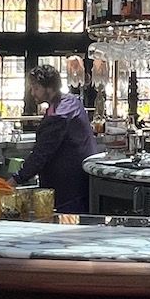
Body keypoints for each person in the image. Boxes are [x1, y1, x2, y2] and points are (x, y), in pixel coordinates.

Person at [17, 63, 96, 215]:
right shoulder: (71, 101)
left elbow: (42, 153)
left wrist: (16, 179)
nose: (32, 92)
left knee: (66, 235)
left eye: (35, 87)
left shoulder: (59, 114)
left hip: (69, 190)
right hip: (79, 184)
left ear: (49, 88)